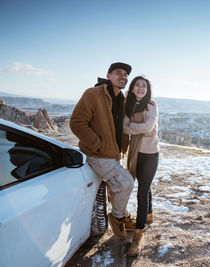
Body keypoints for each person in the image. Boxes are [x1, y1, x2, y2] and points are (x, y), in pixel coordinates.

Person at [69, 62, 135, 239]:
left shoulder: (123, 99)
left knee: (115, 189)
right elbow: (76, 122)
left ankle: (122, 214)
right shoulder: (93, 94)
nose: (123, 77)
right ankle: (117, 218)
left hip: (113, 153)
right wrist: (97, 144)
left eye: (125, 75)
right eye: (118, 73)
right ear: (108, 76)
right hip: (97, 154)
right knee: (126, 183)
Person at [123, 76, 159, 256]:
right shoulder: (128, 105)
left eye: (144, 86)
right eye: (137, 85)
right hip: (135, 153)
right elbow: (124, 128)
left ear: (148, 89)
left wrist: (134, 127)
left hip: (151, 154)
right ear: (132, 88)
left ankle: (138, 236)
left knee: (142, 191)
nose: (140, 88)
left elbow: (148, 126)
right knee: (145, 185)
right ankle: (149, 214)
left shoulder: (151, 105)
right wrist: (140, 127)